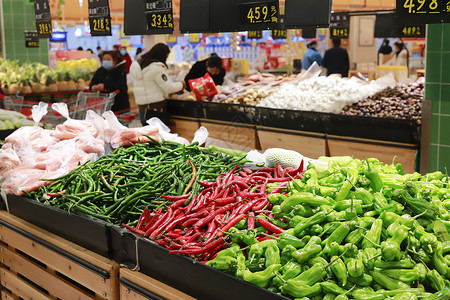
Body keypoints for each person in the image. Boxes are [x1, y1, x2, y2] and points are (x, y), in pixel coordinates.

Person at [129, 43, 184, 125]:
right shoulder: (156, 67)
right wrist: (182, 84)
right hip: (156, 109)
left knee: (148, 135)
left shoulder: (136, 66)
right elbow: (169, 88)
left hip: (142, 109)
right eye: (166, 56)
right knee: (160, 136)